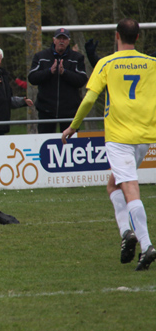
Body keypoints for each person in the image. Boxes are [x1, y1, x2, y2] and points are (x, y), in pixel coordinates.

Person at [61, 18, 156, 271]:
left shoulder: (106, 63)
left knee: (130, 188)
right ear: (137, 38)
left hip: (119, 137)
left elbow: (89, 98)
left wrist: (74, 126)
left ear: (117, 36)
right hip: (145, 136)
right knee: (114, 183)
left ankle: (146, 245)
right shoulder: (152, 64)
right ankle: (127, 233)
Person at [28, 28, 88, 134]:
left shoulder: (77, 58)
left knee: (71, 145)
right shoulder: (41, 56)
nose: (61, 41)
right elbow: (32, 78)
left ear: (68, 41)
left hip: (70, 112)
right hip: (46, 111)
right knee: (45, 144)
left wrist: (64, 73)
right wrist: (49, 72)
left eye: (64, 39)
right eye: (59, 38)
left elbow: (82, 80)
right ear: (54, 40)